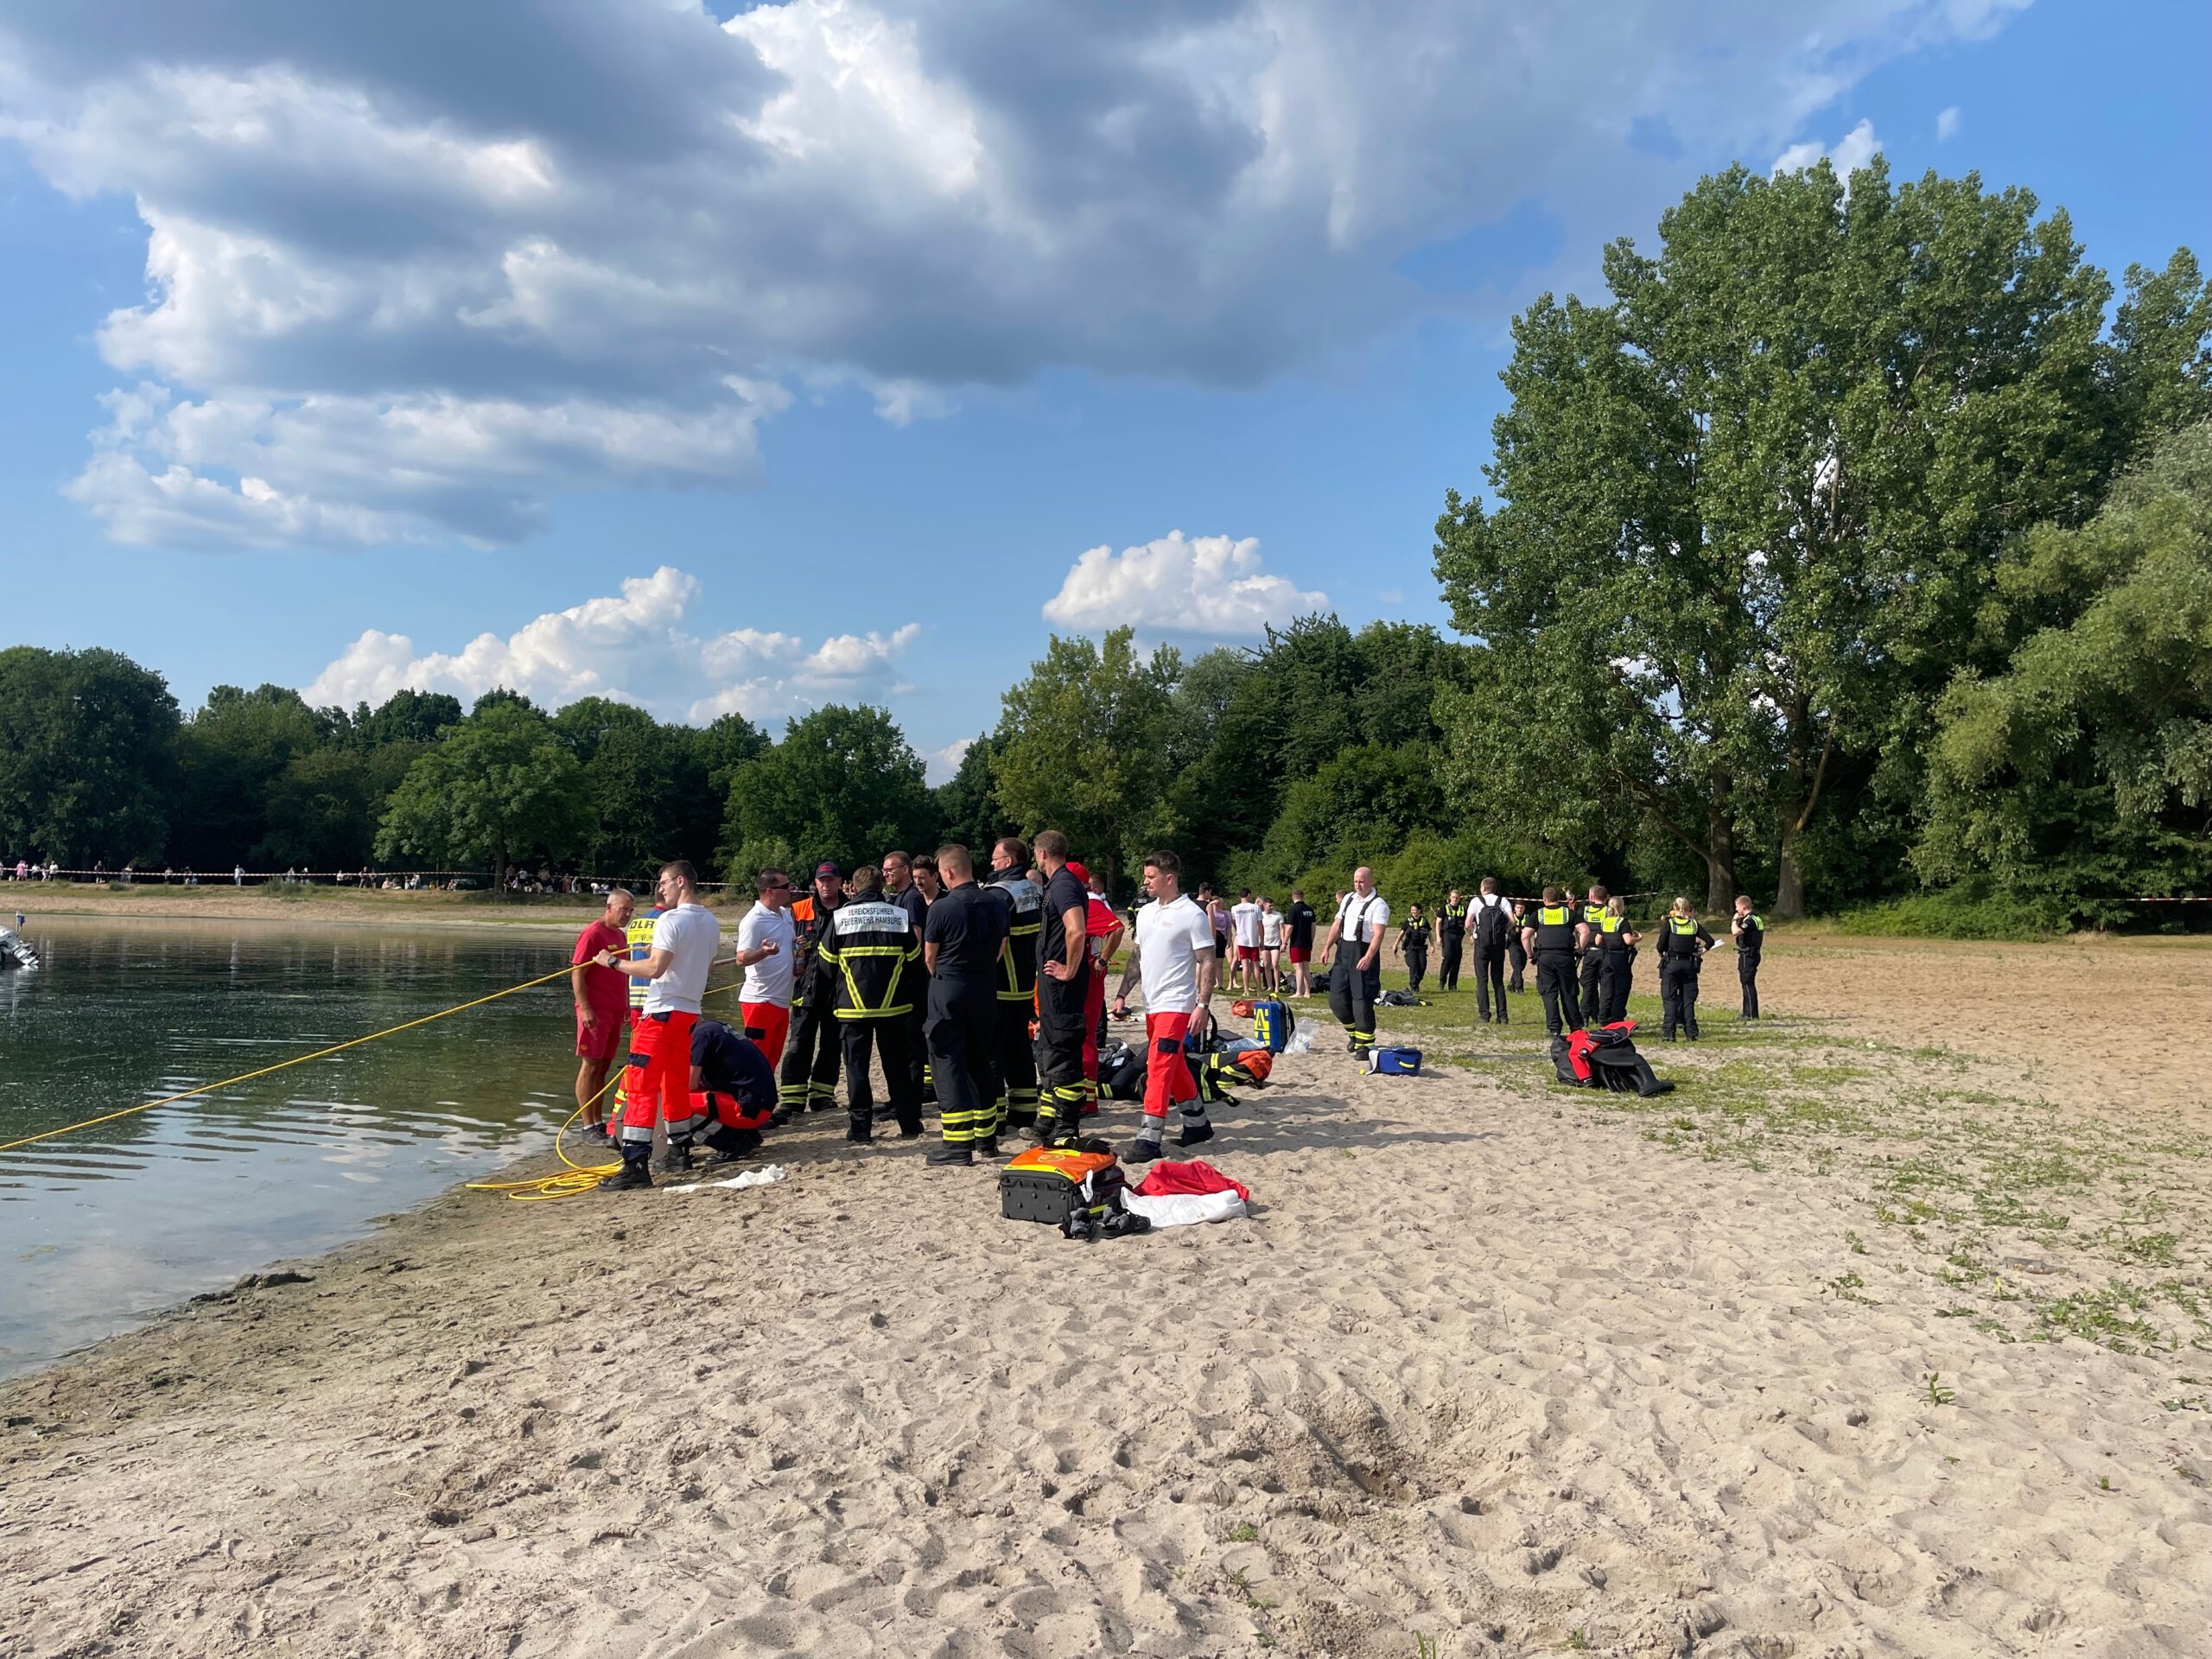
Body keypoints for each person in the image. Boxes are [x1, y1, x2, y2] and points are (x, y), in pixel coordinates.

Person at [596, 861, 721, 1189]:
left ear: (681, 881)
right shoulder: (710, 921)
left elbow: (653, 970)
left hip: (661, 1013)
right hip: (689, 1013)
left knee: (640, 1086)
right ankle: (680, 1151)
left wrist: (611, 962)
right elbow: (701, 963)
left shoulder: (671, 919)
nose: (660, 888)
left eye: (664, 882)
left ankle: (636, 1164)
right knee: (675, 1083)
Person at [1109, 849, 1218, 1163]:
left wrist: (1202, 1005)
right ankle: (1197, 1124)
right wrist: (1121, 994)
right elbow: (1137, 958)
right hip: (1151, 1004)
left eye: (1151, 877)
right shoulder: (1144, 913)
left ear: (1169, 878)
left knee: (1158, 1065)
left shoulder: (1192, 914)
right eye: (1145, 877)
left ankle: (1149, 1137)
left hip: (1177, 1004)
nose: (1146, 882)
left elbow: (1208, 961)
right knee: (1175, 1064)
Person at [816, 864, 924, 1143]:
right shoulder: (899, 916)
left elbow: (825, 965)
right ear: (881, 887)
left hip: (852, 1007)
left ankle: (861, 1129)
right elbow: (914, 962)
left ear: (855, 886)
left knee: (856, 1070)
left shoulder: (840, 917)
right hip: (894, 1007)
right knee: (897, 1068)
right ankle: (909, 1125)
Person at [923, 844, 1008, 1166]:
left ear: (946, 872)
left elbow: (930, 957)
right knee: (981, 1062)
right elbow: (1001, 948)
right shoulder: (997, 903)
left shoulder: (942, 908)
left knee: (948, 1063)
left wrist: (944, 977)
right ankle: (987, 1139)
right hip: (985, 989)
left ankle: (957, 1145)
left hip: (950, 989)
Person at [1029, 830, 1093, 1144]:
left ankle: (1067, 1126)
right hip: (1052, 984)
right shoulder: (1057, 884)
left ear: (1042, 854)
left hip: (1062, 986)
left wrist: (1070, 968)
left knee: (1063, 1051)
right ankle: (1051, 1117)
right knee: (1049, 1049)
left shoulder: (1064, 884)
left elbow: (1077, 930)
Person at [985, 836, 1043, 1131]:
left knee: (993, 1049)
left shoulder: (999, 893)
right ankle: (1023, 1113)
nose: (992, 863)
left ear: (1008, 862)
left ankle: (995, 1117)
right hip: (1025, 983)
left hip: (1000, 983)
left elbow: (993, 941)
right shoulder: (1035, 889)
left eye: (995, 859)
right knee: (1019, 1048)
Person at [778, 861, 844, 1118]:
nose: (826, 885)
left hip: (838, 991)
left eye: (830, 880)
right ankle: (792, 1100)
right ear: (815, 883)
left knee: (831, 1045)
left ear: (839, 881)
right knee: (798, 1045)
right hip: (804, 989)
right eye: (821, 880)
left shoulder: (849, 910)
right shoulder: (796, 911)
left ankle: (822, 1096)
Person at [569, 887, 636, 1141]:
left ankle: (598, 1121)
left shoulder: (620, 936)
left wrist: (627, 1005)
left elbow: (622, 973)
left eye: (630, 911)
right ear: (609, 908)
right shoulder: (592, 934)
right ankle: (588, 1125)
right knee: (591, 1064)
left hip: (615, 1010)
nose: (627, 915)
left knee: (604, 1066)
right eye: (623, 910)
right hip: (595, 1010)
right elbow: (578, 973)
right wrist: (585, 1008)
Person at [1319, 868, 1390, 1063]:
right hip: (1343, 952)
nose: (1358, 885)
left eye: (1361, 881)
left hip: (1363, 952)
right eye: (1355, 881)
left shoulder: (1378, 905)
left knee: (1361, 1001)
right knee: (1336, 999)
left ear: (1370, 881)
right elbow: (1336, 924)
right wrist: (1326, 948)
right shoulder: (1348, 899)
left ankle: (1365, 1045)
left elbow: (1378, 934)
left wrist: (1368, 957)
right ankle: (1353, 1034)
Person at [687, 1017, 779, 1163]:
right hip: (760, 1105)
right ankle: (745, 1135)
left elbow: (690, 1085)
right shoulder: (714, 1028)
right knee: (697, 1096)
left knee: (678, 1104)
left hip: (751, 1110)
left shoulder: (700, 1036)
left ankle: (731, 1143)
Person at [884, 849, 932, 1114]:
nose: (886, 874)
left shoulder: (911, 899)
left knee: (911, 1043)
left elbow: (915, 938)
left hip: (913, 980)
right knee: (906, 1043)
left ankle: (909, 1101)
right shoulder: (900, 898)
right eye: (884, 871)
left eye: (891, 869)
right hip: (906, 979)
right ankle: (901, 1098)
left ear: (905, 869)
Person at [732, 868, 795, 1066]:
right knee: (756, 1059)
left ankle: (765, 1097)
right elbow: (740, 959)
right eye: (785, 886)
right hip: (760, 1001)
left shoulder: (785, 914)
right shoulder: (753, 920)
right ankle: (750, 1097)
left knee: (772, 1058)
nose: (790, 890)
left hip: (781, 1000)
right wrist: (763, 952)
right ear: (770, 891)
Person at [1073, 861, 1122, 1116]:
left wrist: (1102, 960)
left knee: (1084, 1038)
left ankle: (1087, 1100)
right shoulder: (1085, 902)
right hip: (1083, 977)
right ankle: (1085, 1098)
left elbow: (1117, 929)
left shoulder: (1090, 904)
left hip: (1087, 979)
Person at [1521, 886, 1591, 1039]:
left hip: (1545, 957)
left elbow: (1525, 937)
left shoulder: (1538, 914)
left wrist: (1530, 956)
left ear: (1544, 899)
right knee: (1569, 992)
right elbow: (1585, 931)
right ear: (1558, 899)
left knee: (1549, 993)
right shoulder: (1569, 913)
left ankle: (1554, 1029)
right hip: (1565, 957)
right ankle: (1575, 1026)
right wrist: (1580, 949)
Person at [1656, 898, 1715, 1041]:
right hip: (1689, 965)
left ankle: (1669, 1033)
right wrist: (1701, 952)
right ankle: (1691, 1032)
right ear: (1689, 909)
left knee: (1670, 999)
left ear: (1674, 909)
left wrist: (1663, 954)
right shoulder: (1693, 924)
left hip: (1672, 964)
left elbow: (1660, 946)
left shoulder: (1669, 923)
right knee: (1688, 1000)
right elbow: (1710, 941)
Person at [1467, 878, 1513, 1024]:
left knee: (1482, 980)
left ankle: (1484, 1015)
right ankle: (1503, 1015)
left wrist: (1473, 934)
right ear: (1495, 889)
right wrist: (1504, 932)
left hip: (1482, 944)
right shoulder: (1503, 901)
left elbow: (1468, 923)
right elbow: (1513, 921)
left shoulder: (1476, 901)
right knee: (1498, 980)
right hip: (1498, 945)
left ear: (1483, 888)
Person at [1594, 895, 1641, 1025]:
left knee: (1607, 989)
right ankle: (1617, 1018)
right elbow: (1628, 940)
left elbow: (1598, 941)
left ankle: (1604, 1018)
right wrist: (1639, 938)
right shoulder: (1622, 922)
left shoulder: (1605, 921)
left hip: (1607, 958)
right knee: (1621, 988)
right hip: (1619, 957)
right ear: (1621, 907)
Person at [1576, 885, 1611, 1025]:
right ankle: (1602, 1015)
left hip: (1590, 953)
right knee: (1605, 986)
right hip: (1606, 953)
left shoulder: (1585, 910)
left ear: (1591, 897)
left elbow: (1577, 928)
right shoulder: (1609, 911)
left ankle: (1584, 1016)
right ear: (1606, 898)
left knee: (1588, 985)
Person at [1731, 896, 1764, 1020]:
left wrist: (1734, 920)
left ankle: (1750, 1014)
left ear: (1743, 907)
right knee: (1748, 984)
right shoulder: (1757, 918)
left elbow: (1735, 932)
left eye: (1737, 906)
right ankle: (1748, 1012)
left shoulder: (1749, 920)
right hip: (1753, 954)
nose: (1736, 909)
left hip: (1748, 955)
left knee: (1747, 983)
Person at [1229, 889, 1263, 996]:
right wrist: (1262, 939)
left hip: (1242, 939)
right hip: (1253, 939)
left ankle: (1246, 990)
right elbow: (1260, 925)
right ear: (1248, 895)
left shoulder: (1235, 908)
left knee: (1245, 965)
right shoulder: (1255, 908)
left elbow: (1233, 921)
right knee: (1256, 965)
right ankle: (1258, 990)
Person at [1284, 888, 1318, 998]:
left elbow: (1289, 927)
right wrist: (1311, 941)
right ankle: (1307, 992)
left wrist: (1284, 942)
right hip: (1307, 942)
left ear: (1292, 897)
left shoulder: (1293, 909)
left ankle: (1299, 991)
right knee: (1306, 967)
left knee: (1298, 967)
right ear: (1302, 897)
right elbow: (1313, 927)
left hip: (1297, 942)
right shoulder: (1310, 910)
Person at [1397, 902, 1431, 993]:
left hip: (1421, 947)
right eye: (1412, 910)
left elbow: (1429, 933)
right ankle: (1414, 987)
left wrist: (1433, 945)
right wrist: (1395, 944)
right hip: (1410, 947)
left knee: (1422, 966)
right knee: (1413, 966)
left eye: (1415, 910)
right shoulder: (1408, 921)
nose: (1413, 912)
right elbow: (1402, 933)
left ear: (1419, 910)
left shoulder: (1424, 921)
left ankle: (1416, 982)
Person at [1437, 889, 1465, 991]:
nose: (1455, 899)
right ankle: (1442, 981)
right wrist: (1438, 937)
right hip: (1447, 934)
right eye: (1453, 897)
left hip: (1458, 936)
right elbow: (1438, 922)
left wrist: (1471, 934)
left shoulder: (1462, 909)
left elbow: (1468, 922)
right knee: (1448, 957)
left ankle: (1452, 985)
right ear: (1450, 897)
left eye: (1457, 897)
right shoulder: (1445, 908)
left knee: (1456, 960)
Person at [1258, 898, 1283, 995]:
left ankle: (1277, 986)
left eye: (1272, 905)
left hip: (1275, 943)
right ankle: (1270, 986)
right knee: (1266, 965)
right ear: (1264, 905)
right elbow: (1259, 928)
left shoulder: (1278, 915)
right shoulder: (1261, 915)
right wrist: (1260, 941)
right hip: (1265, 943)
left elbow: (1281, 928)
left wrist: (1283, 941)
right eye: (1269, 905)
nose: (1271, 907)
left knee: (1275, 964)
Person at [1505, 898, 1528, 992]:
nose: (1520, 910)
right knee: (1517, 964)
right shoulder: (1510, 918)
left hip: (1524, 944)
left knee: (1521, 965)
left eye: (1521, 908)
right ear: (1514, 909)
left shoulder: (1528, 918)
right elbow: (1508, 931)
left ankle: (1511, 984)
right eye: (1518, 908)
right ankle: (1519, 987)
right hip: (1513, 944)